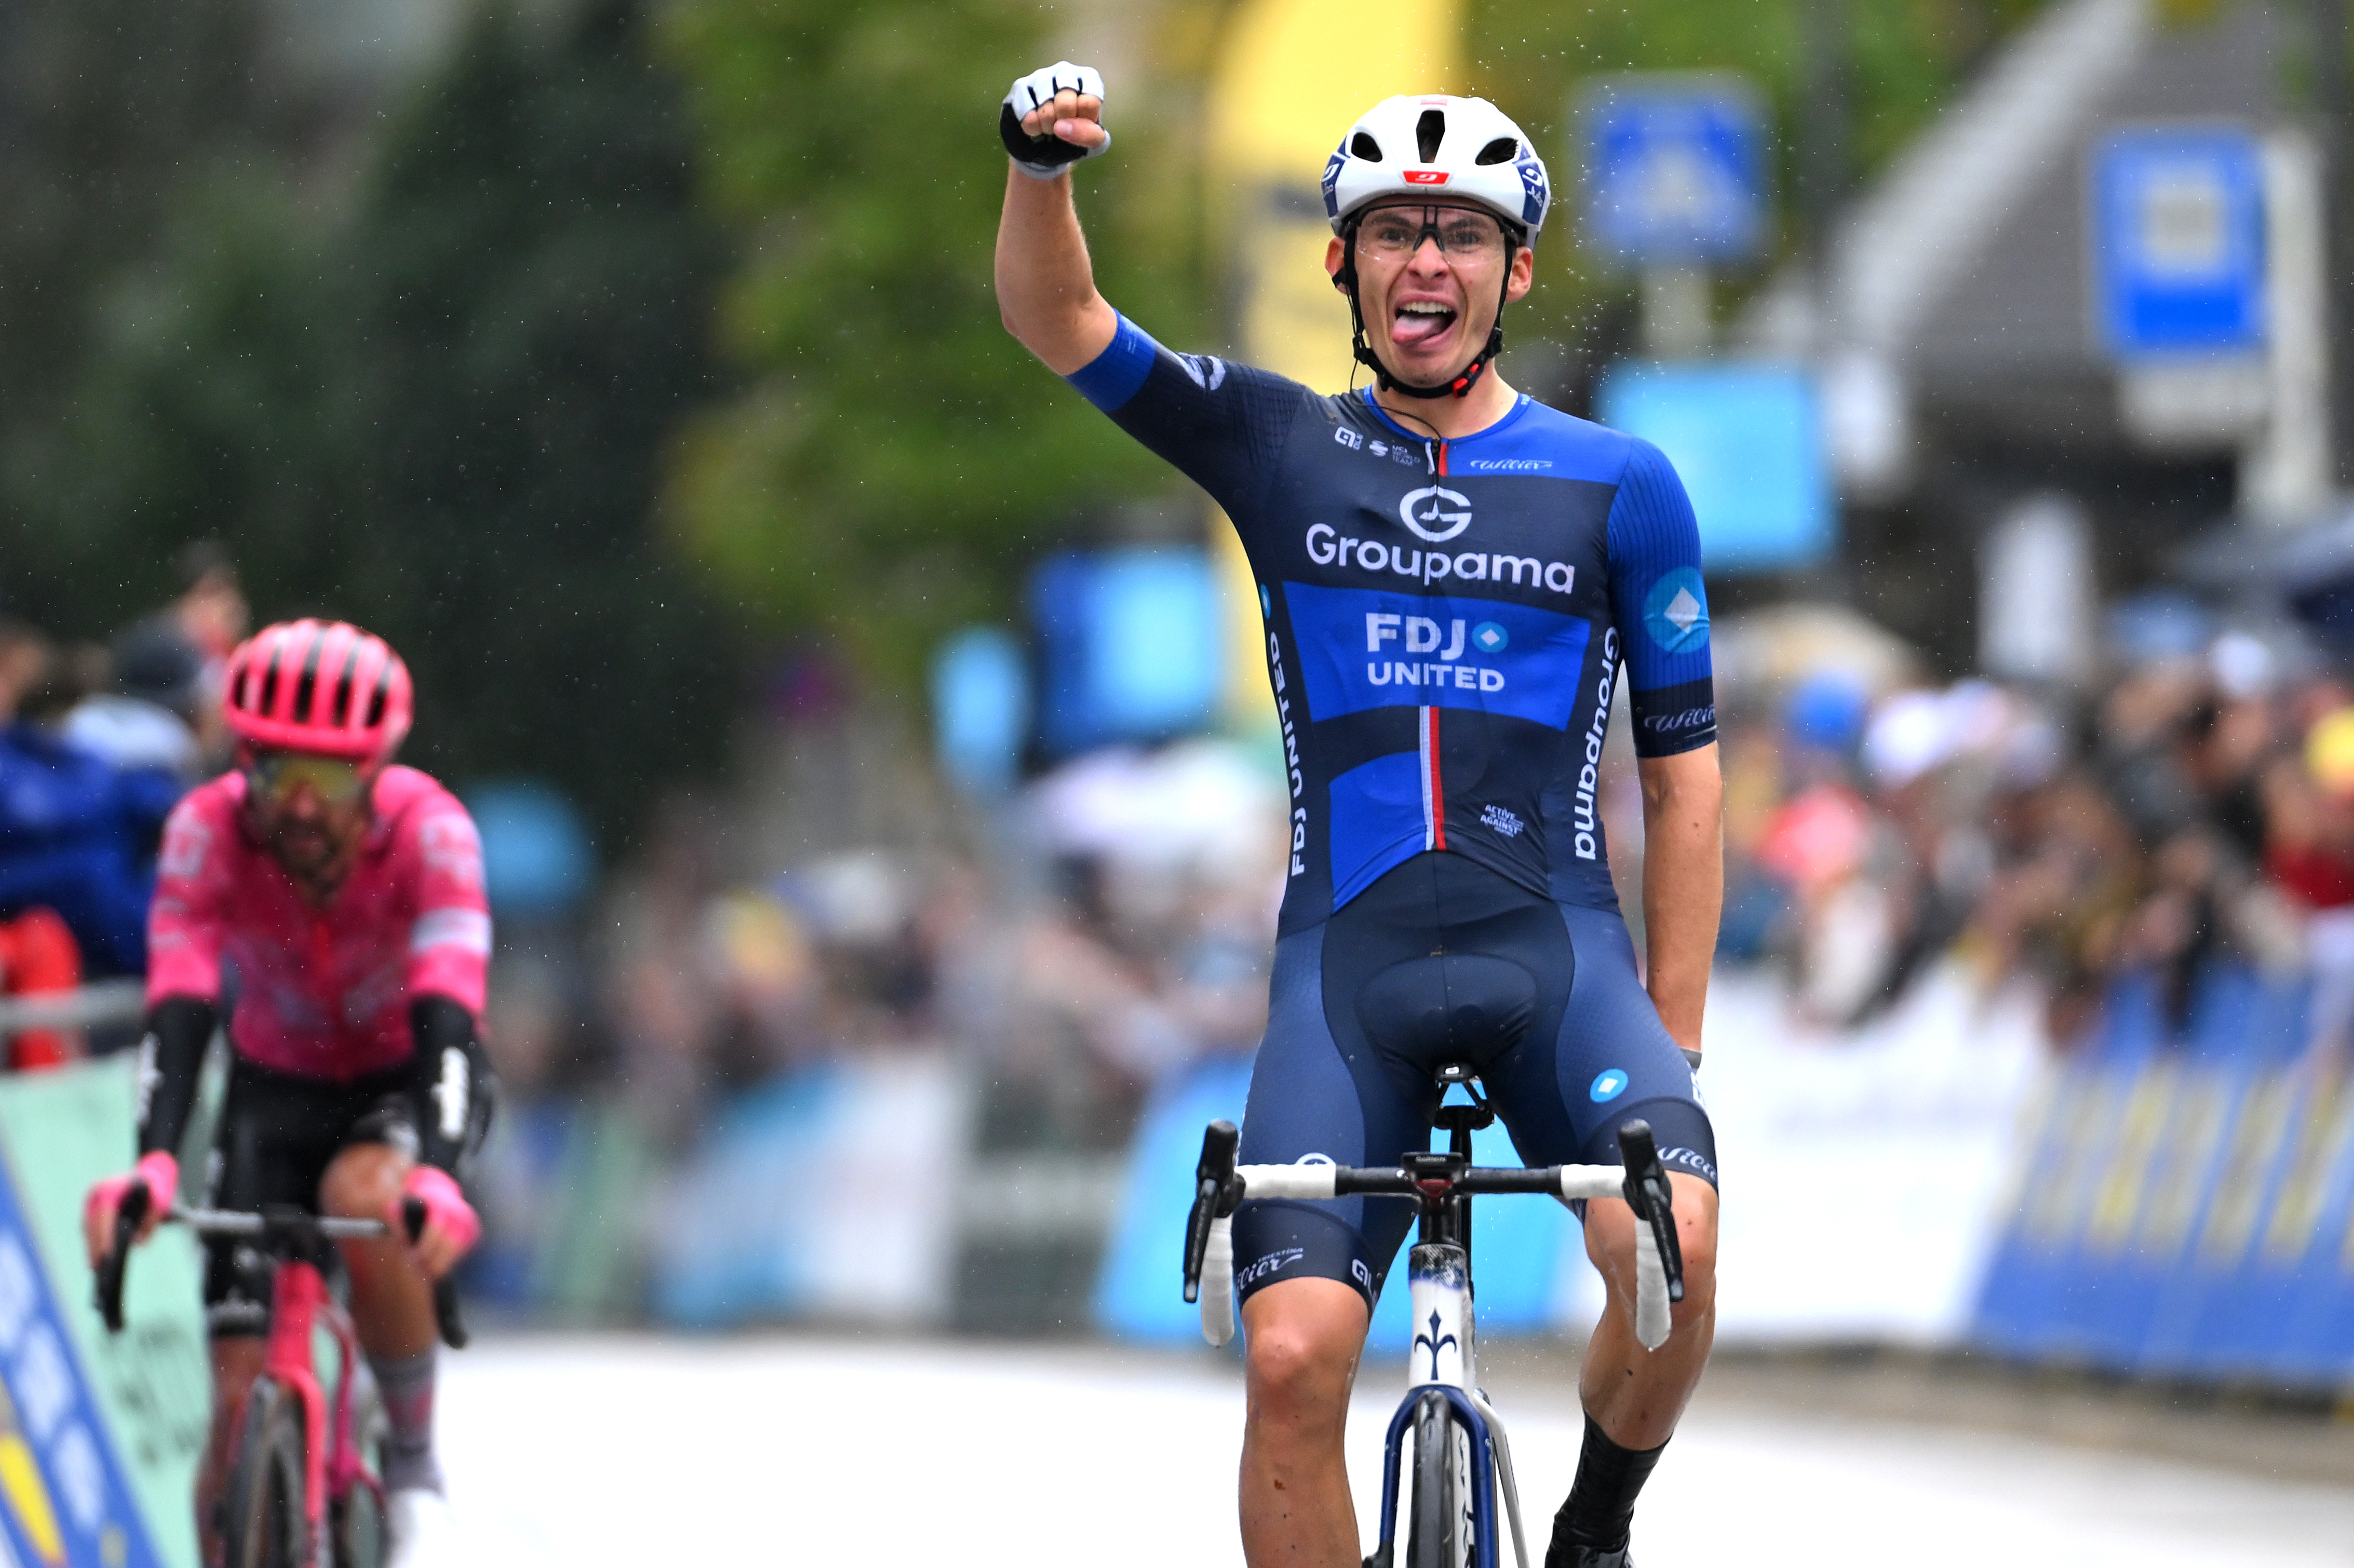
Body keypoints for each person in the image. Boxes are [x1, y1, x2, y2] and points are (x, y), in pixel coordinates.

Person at [995, 66, 1723, 1568]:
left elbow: (1683, 779)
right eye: (1391, 232)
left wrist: (1674, 1037)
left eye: (1459, 235)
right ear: (1341, 262)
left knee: (1675, 1246)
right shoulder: (1278, 445)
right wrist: (1036, 173)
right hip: (1347, 969)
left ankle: (1591, 1527)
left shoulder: (1618, 485)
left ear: (1514, 270)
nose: (1425, 265)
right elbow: (1057, 323)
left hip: (1558, 958)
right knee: (1286, 1363)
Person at [81, 619, 494, 1568]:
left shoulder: (432, 832)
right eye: (279, 772)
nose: (303, 808)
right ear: (242, 758)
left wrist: (433, 1172)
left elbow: (450, 1013)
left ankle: (416, 1474)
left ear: (378, 770)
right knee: (231, 1419)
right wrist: (152, 1155)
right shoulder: (207, 830)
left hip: (406, 1078)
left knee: (367, 1198)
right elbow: (179, 1007)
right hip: (275, 1088)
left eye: (334, 779)